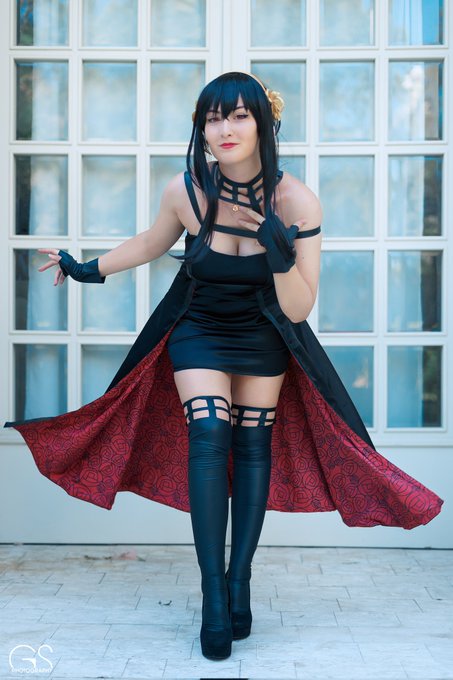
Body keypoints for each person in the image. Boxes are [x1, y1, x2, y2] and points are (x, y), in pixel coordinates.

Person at [5, 72, 443, 662]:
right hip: (199, 330)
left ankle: (241, 582)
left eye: (239, 115)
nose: (225, 129)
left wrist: (281, 255)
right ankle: (214, 596)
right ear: (202, 129)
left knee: (252, 445)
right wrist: (86, 268)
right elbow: (150, 242)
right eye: (213, 118)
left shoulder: (298, 202)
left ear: (264, 123)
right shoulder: (186, 192)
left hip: (265, 334)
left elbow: (298, 308)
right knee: (209, 434)